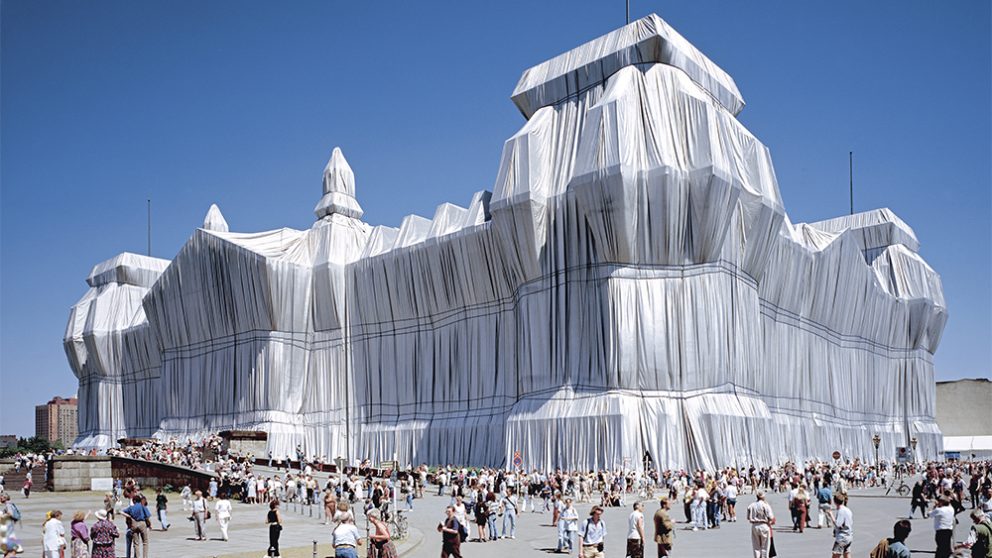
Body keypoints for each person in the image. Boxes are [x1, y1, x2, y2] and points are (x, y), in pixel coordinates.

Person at [747, 491, 774, 558]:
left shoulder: (751, 505)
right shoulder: (766, 505)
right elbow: (771, 517)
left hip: (755, 525)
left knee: (756, 545)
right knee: (765, 545)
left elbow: (748, 517)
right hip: (764, 525)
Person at [830, 493, 854, 558]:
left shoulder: (841, 511)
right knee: (846, 553)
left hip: (842, 537)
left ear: (834, 501)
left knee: (836, 555)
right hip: (849, 535)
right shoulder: (847, 510)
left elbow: (838, 524)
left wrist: (831, 515)